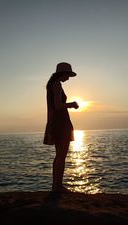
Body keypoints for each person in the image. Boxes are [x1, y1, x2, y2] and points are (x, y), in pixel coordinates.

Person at [43, 62, 79, 193]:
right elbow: (58, 106)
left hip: (55, 122)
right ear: (62, 73)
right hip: (61, 122)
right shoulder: (57, 85)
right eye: (68, 75)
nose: (68, 78)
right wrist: (72, 104)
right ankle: (58, 187)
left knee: (58, 156)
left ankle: (56, 186)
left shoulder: (51, 85)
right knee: (61, 156)